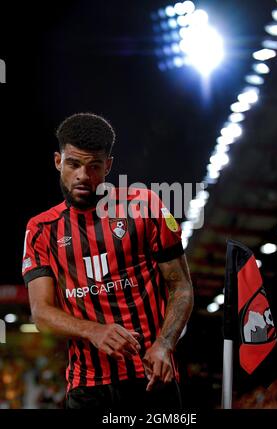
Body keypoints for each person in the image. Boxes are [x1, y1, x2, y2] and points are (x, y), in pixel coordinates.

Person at [22, 113, 194, 410]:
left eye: (94, 166)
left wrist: (165, 344)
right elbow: (41, 313)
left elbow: (182, 288)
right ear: (57, 161)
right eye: (73, 164)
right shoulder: (40, 230)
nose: (83, 176)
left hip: (153, 378)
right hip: (87, 388)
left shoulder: (146, 206)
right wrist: (94, 330)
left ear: (109, 166)